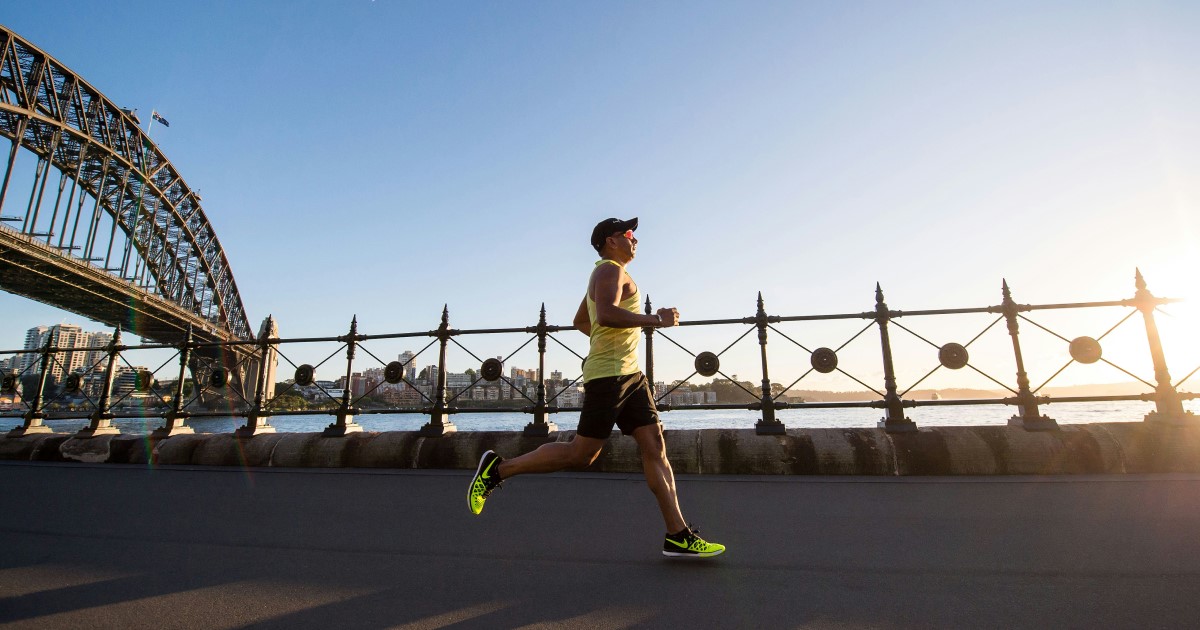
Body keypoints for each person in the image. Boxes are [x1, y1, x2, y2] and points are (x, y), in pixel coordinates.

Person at [467, 217, 725, 559]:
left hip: (631, 375)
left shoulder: (610, 273)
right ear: (610, 241)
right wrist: (655, 320)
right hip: (610, 377)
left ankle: (678, 535)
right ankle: (498, 469)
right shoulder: (608, 271)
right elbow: (604, 315)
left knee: (655, 446)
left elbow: (581, 321)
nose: (635, 239)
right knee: (581, 454)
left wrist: (609, 343)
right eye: (628, 234)